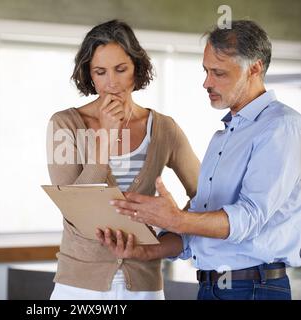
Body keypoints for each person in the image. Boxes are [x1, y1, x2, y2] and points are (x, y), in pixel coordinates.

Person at [99, 20, 301, 300]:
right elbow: (196, 225)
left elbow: (249, 218)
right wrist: (145, 250)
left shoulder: (281, 127)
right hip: (211, 287)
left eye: (218, 73)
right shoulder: (223, 136)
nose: (206, 82)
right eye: (206, 71)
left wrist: (178, 219)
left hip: (253, 288)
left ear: (254, 68)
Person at [46, 19, 200, 300]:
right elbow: (73, 208)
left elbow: (205, 195)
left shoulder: (165, 128)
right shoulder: (64, 125)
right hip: (78, 285)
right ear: (89, 76)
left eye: (121, 69)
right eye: (101, 72)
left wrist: (171, 229)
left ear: (137, 69)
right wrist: (104, 136)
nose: (112, 83)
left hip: (144, 284)